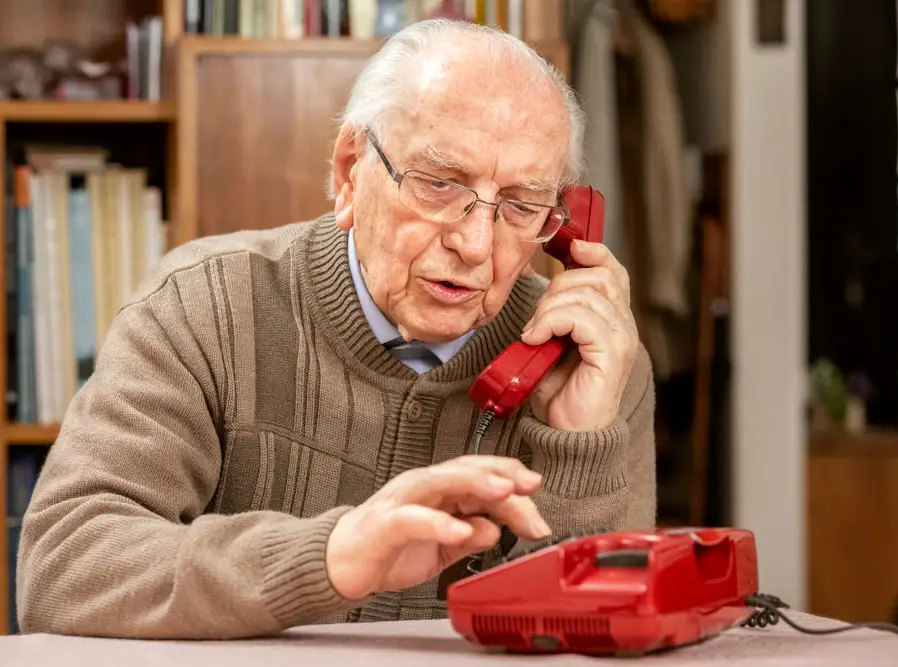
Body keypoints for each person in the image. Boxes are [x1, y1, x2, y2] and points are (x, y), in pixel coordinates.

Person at [15, 19, 656, 640]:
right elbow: (65, 567)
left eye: (520, 206)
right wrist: (328, 558)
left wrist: (579, 448)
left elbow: (607, 633)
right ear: (350, 171)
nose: (475, 243)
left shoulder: (593, 358)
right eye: (438, 184)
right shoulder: (200, 303)